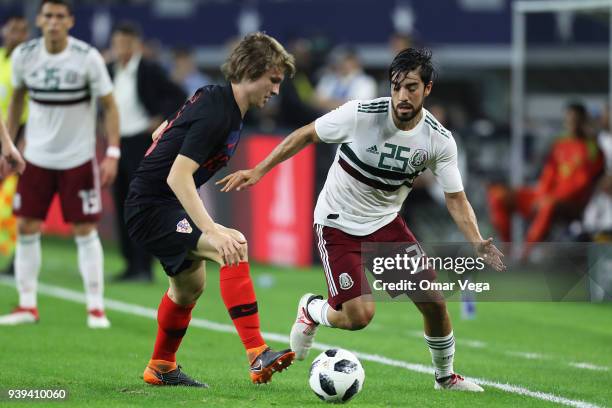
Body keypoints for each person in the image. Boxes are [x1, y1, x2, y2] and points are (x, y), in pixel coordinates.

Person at [219, 48, 505, 392]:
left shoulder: (439, 139)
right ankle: (312, 309)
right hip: (337, 222)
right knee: (359, 317)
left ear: (427, 89)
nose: (402, 95)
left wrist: (476, 239)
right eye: (396, 86)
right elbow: (305, 134)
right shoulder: (360, 113)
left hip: (385, 224)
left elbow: (455, 198)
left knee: (434, 303)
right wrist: (259, 170)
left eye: (411, 87)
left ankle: (445, 378)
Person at [124, 32, 296, 387]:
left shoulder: (217, 101)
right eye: (273, 80)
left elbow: (163, 130)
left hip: (158, 203)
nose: (277, 90)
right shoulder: (218, 111)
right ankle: (256, 352)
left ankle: (161, 366)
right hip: (152, 206)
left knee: (188, 289)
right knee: (232, 243)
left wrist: (166, 135)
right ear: (251, 69)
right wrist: (213, 230)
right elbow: (178, 176)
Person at [0, 0, 120, 329]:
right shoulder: (25, 56)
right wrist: (8, 145)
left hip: (77, 159)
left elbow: (110, 106)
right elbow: (17, 100)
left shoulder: (87, 58)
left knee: (84, 230)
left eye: (59, 17)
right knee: (26, 227)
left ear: (70, 21)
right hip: (36, 158)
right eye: (48, 16)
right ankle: (27, 305)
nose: (53, 22)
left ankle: (96, 308)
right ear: (39, 20)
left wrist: (112, 152)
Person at [107, 22, 187, 282]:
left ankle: (144, 266)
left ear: (136, 44)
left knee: (141, 205)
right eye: (118, 43)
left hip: (142, 142)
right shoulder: (110, 70)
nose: (122, 49)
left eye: (127, 44)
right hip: (116, 143)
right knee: (121, 203)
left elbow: (179, 94)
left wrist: (161, 119)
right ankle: (130, 263)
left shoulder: (149, 70)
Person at [488, 103, 603, 245]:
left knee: (547, 205)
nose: (571, 123)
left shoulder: (591, 147)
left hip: (571, 204)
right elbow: (548, 174)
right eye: (568, 119)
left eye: (575, 120)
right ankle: (508, 249)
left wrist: (548, 198)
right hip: (546, 196)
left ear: (583, 121)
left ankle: (526, 254)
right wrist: (542, 195)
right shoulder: (560, 144)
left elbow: (582, 183)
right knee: (498, 195)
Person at [0, 14, 29, 273]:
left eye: (22, 31)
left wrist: (20, 145)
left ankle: (18, 259)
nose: (16, 35)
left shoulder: (28, 65)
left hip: (18, 138)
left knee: (21, 202)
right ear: (4, 31)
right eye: (13, 30)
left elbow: (29, 109)